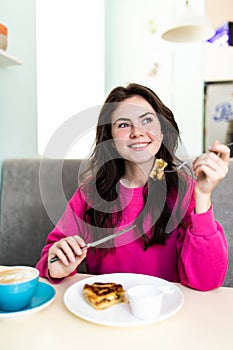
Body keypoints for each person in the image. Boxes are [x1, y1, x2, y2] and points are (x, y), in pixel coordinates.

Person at [36, 83, 230, 291]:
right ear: (110, 140)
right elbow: (48, 263)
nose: (137, 132)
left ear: (163, 132)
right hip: (107, 309)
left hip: (168, 310)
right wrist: (55, 265)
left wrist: (202, 195)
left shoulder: (185, 190)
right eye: (123, 125)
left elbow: (206, 281)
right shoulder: (90, 192)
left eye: (147, 120)